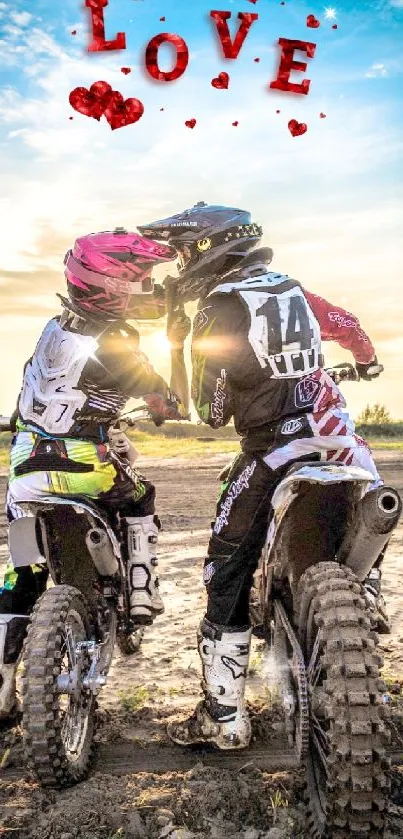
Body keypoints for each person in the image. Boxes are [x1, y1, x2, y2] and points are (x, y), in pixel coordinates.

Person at [139, 202, 386, 751]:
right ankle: (365, 602)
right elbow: (346, 326)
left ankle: (224, 719)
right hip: (344, 445)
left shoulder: (219, 308)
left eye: (182, 252)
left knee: (224, 570)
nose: (179, 265)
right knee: (368, 529)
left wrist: (179, 346)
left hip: (274, 452)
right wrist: (365, 362)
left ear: (206, 250)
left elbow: (211, 411)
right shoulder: (293, 290)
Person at [0, 227, 186, 719]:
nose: (147, 287)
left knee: (24, 570)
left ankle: (1, 688)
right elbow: (158, 399)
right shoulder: (118, 338)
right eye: (140, 278)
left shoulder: (52, 330)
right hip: (85, 466)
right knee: (141, 496)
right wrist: (166, 397)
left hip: (25, 470)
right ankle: (142, 589)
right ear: (114, 284)